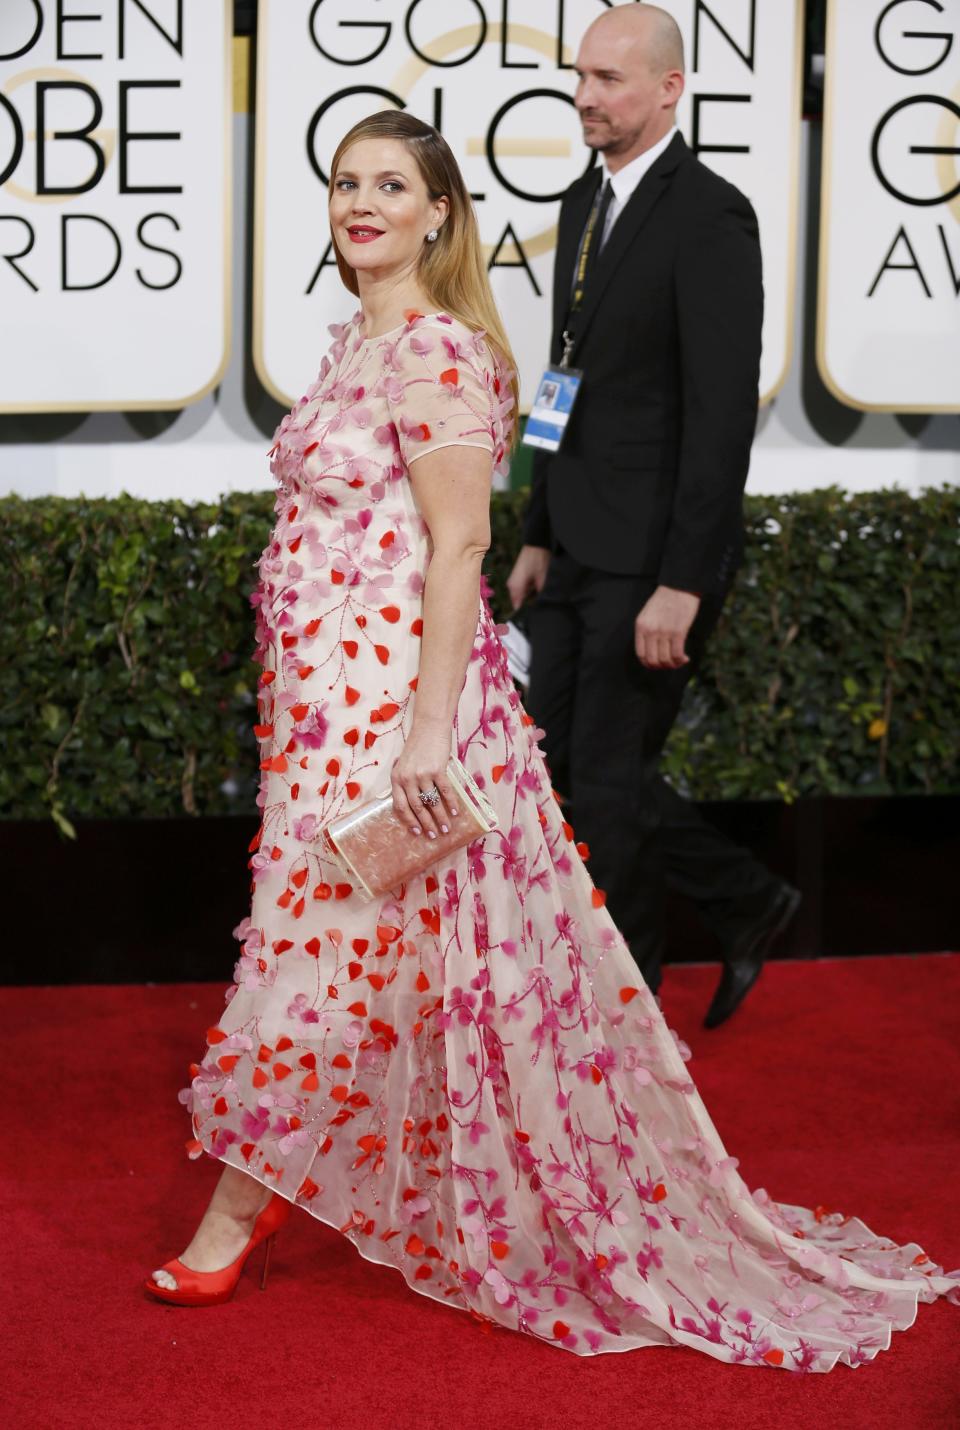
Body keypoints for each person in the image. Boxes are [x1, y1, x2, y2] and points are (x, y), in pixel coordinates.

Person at [145, 109, 957, 1363]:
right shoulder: (357, 342)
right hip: (319, 715)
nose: (362, 202)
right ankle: (462, 1186)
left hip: (388, 719)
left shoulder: (434, 353)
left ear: (440, 213)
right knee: (428, 968)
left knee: (318, 961)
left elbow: (460, 547)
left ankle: (231, 1218)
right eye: (345, 182)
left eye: (391, 185)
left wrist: (425, 737)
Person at [507, 4, 798, 1028]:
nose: (588, 96)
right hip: (575, 540)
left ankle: (619, 1030)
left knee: (614, 789)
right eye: (581, 77)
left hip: (654, 561)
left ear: (670, 89)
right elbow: (566, 379)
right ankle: (745, 896)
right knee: (549, 768)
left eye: (611, 80)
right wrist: (538, 527)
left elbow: (722, 418)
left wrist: (686, 576)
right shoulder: (586, 202)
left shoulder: (712, 215)